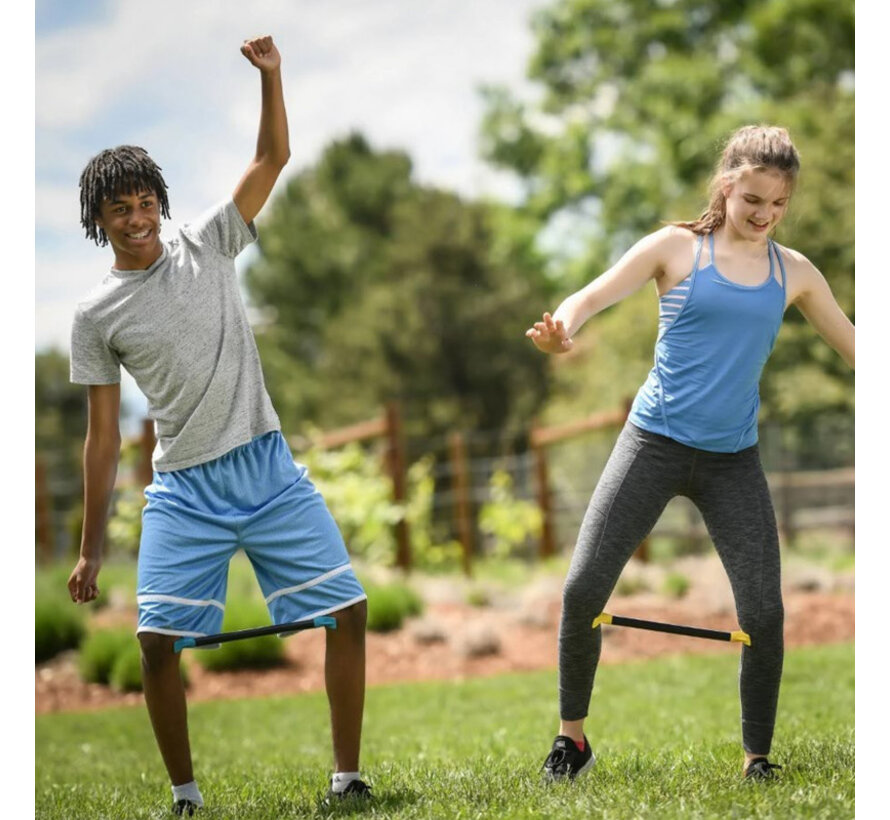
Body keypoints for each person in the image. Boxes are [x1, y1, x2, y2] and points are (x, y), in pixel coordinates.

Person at [66, 36, 370, 815]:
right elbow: (102, 438)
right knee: (154, 643)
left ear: (159, 205)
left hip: (266, 467)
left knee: (348, 610)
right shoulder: (95, 315)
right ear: (97, 220)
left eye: (145, 204)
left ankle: (347, 777)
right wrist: (90, 546)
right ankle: (186, 796)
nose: (138, 219)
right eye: (119, 209)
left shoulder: (208, 241)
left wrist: (273, 78)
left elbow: (272, 157)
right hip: (185, 488)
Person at [526, 125, 854, 782]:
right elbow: (592, 295)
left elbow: (854, 344)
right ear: (727, 186)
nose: (763, 214)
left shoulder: (795, 273)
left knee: (763, 611)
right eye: (753, 200)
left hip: (734, 459)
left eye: (777, 205)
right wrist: (564, 329)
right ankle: (572, 741)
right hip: (653, 443)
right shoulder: (678, 248)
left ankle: (757, 757)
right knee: (583, 586)